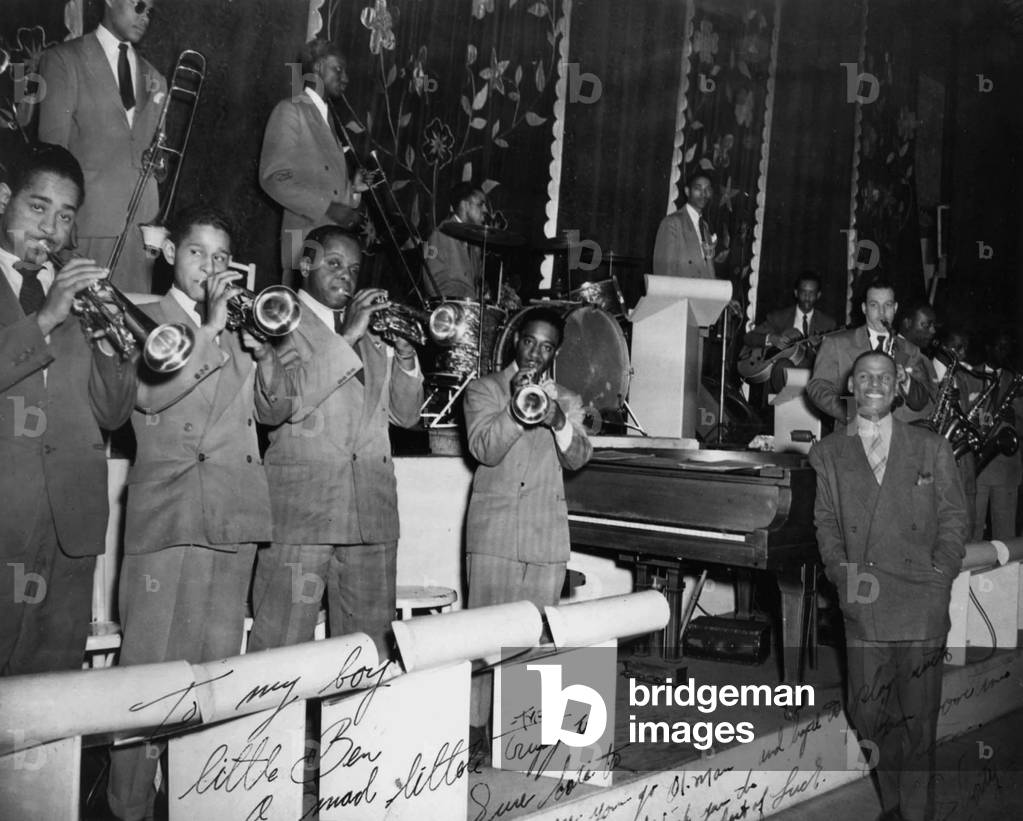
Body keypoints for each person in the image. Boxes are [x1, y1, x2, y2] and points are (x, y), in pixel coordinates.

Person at [107, 205, 292, 821]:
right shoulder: (142, 317)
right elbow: (145, 396)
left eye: (221, 258)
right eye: (197, 254)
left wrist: (266, 357)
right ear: (169, 255)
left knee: (217, 675)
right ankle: (128, 806)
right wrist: (211, 330)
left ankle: (199, 804)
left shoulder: (241, 325)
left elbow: (273, 412)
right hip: (172, 511)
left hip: (233, 512)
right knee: (150, 674)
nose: (210, 268)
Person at [247, 225, 423, 659]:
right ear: (305, 263)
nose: (346, 276)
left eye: (354, 269)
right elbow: (277, 406)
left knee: (369, 657)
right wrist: (347, 337)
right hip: (303, 511)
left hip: (371, 513)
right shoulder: (280, 317)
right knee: (281, 652)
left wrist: (404, 356)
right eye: (334, 264)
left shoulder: (372, 331)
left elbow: (407, 415)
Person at [809, 350, 967, 821]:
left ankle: (911, 813)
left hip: (921, 601)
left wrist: (941, 574)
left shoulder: (931, 447)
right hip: (865, 599)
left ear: (898, 387)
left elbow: (955, 519)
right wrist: (843, 575)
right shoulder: (829, 453)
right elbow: (825, 525)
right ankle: (896, 800)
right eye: (864, 377)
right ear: (851, 387)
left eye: (883, 377)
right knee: (867, 714)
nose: (874, 385)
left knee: (919, 724)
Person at [0, 143, 137, 675]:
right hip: (6, 523)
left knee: (56, 701)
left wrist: (110, 349)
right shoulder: (59, 300)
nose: (51, 230)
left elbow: (112, 415)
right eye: (38, 208)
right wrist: (44, 319)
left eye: (65, 216)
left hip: (71, 529)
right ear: (5, 199)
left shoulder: (80, 294)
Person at [463, 306, 593, 730]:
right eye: (530, 342)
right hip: (494, 535)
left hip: (544, 537)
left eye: (547, 347)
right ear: (515, 340)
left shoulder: (568, 399)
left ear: (556, 352)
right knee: (485, 641)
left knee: (537, 644)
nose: (536, 353)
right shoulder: (482, 390)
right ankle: (472, 734)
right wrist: (515, 412)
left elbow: (579, 457)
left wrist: (558, 420)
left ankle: (525, 736)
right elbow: (485, 449)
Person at [37, 0, 167, 294]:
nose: (145, 17)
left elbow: (157, 156)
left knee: (132, 327)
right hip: (87, 224)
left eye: (150, 12)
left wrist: (160, 165)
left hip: (142, 232)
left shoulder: (156, 79)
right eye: (139, 5)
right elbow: (51, 157)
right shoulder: (63, 60)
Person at [260, 38, 370, 276]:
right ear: (318, 67)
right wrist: (329, 208)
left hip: (332, 251)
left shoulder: (329, 120)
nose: (346, 78)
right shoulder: (291, 110)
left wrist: (354, 191)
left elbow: (327, 186)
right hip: (304, 249)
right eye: (338, 69)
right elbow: (273, 178)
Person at [807, 277, 932, 426]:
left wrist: (906, 380)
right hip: (853, 435)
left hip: (897, 440)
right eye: (874, 305)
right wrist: (850, 413)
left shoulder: (909, 350)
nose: (882, 313)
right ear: (864, 308)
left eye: (888, 305)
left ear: (896, 308)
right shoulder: (836, 343)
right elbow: (818, 387)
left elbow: (921, 401)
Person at [742, 271, 838, 392]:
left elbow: (832, 360)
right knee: (782, 365)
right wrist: (772, 338)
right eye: (803, 292)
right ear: (796, 293)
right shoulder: (779, 318)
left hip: (812, 376)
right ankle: (780, 408)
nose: (807, 297)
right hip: (780, 373)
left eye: (812, 293)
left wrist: (817, 349)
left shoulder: (828, 324)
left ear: (818, 295)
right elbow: (748, 338)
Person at [973, 329, 1022, 541]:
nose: (1004, 352)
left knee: (1006, 537)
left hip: (1006, 470)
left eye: (1007, 348)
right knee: (971, 535)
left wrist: (1015, 420)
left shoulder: (1016, 382)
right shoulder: (969, 375)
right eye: (999, 347)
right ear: (988, 348)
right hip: (976, 468)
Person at [424, 182, 487, 300]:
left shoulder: (473, 242)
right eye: (480, 204)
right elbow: (433, 283)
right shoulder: (440, 235)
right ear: (464, 205)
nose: (485, 210)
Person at [652, 171, 720, 279]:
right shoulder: (672, 223)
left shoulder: (705, 227)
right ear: (687, 191)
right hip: (681, 294)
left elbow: (708, 271)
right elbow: (664, 273)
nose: (704, 194)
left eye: (708, 189)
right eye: (698, 188)